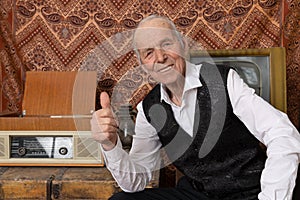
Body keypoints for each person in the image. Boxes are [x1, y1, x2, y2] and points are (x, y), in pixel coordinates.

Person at [90, 15, 300, 200]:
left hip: (250, 192)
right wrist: (110, 145)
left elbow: (282, 133)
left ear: (183, 44)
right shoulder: (148, 108)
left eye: (166, 44)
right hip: (198, 194)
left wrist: (271, 197)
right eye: (149, 53)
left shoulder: (224, 80)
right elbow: (134, 183)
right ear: (143, 64)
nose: (160, 57)